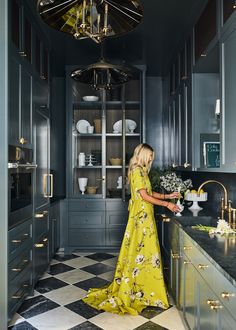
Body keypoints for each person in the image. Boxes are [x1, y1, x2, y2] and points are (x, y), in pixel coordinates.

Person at [82, 143, 180, 315]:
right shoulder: (136, 170)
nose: (151, 159)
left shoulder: (141, 170)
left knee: (145, 254)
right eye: (149, 155)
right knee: (146, 253)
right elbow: (144, 196)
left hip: (144, 217)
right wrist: (167, 204)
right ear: (141, 154)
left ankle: (146, 292)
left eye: (152, 156)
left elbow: (148, 192)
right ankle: (142, 292)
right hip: (141, 219)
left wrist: (167, 196)